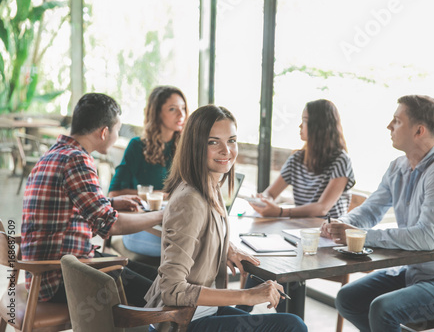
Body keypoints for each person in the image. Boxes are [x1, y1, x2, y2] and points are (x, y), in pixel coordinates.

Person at [321, 95, 434, 332]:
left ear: (419, 131)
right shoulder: (397, 167)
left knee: (383, 308)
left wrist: (360, 235)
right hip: (416, 273)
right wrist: (342, 224)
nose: (389, 126)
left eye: (397, 121)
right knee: (348, 298)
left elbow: (425, 238)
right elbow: (371, 210)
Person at [145, 105, 307, 332]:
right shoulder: (190, 200)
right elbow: (172, 289)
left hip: (201, 313)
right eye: (213, 142)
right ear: (196, 146)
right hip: (182, 322)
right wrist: (247, 295)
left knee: (286, 323)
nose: (226, 150)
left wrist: (226, 248)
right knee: (292, 325)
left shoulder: (211, 186)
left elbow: (195, 235)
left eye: (231, 140)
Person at [21, 93, 162, 307]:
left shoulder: (54, 154)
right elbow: (110, 224)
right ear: (104, 132)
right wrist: (161, 215)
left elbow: (69, 204)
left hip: (47, 273)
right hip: (62, 278)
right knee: (161, 294)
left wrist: (111, 203)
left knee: (157, 280)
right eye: (116, 130)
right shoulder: (77, 160)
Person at [108, 86, 188, 257]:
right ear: (157, 113)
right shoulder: (137, 146)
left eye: (183, 108)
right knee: (183, 253)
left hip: (175, 224)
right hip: (141, 227)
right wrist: (159, 194)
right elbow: (114, 193)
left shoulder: (185, 148)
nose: (181, 115)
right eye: (172, 109)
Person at [249, 99, 355, 219]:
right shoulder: (296, 159)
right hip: (300, 228)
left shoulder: (340, 160)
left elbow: (322, 208)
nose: (300, 126)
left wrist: (280, 212)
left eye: (304, 121)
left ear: (319, 126)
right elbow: (270, 193)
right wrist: (265, 200)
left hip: (329, 231)